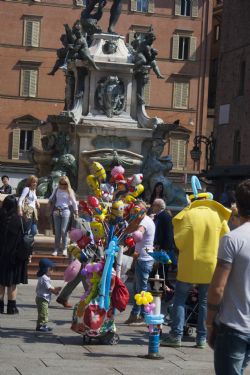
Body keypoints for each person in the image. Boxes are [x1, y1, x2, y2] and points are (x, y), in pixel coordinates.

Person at [161, 195, 231, 349]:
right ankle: (201, 337)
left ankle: (176, 335)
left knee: (180, 299)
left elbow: (179, 241)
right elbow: (227, 238)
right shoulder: (218, 215)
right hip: (210, 264)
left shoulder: (188, 214)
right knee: (205, 301)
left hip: (189, 263)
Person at [207, 179, 250, 375]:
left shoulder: (232, 239)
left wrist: (209, 321)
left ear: (237, 205)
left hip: (234, 325)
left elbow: (218, 288)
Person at [124, 200, 155, 325]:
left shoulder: (145, 222)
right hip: (141, 257)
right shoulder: (141, 220)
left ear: (144, 210)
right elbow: (128, 230)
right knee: (138, 288)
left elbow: (139, 233)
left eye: (138, 210)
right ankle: (135, 314)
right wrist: (133, 219)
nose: (136, 212)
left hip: (145, 259)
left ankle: (145, 315)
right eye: (135, 210)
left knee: (142, 288)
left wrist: (132, 237)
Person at [0, 195, 29, 314]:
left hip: (1, 256)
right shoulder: (20, 220)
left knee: (0, 281)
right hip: (15, 256)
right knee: (12, 282)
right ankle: (11, 307)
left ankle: (0, 306)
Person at [49, 176, 78, 256]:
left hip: (66, 210)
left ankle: (64, 249)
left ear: (67, 183)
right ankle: (56, 249)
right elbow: (51, 198)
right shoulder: (56, 189)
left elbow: (74, 202)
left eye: (65, 184)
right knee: (57, 231)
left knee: (63, 230)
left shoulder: (70, 191)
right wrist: (50, 201)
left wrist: (76, 211)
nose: (63, 185)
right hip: (56, 211)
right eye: (61, 183)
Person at [151, 198, 176, 288]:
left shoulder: (165, 216)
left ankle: (168, 291)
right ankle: (161, 291)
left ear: (158, 206)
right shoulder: (158, 216)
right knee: (156, 273)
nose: (152, 206)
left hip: (163, 249)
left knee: (161, 273)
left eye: (154, 205)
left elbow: (169, 234)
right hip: (158, 248)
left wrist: (165, 249)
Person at [35, 258, 61, 332]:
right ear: (45, 269)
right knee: (43, 313)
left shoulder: (45, 277)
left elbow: (50, 287)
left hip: (43, 298)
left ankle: (42, 325)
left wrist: (56, 289)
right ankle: (41, 326)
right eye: (51, 269)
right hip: (42, 299)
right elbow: (49, 288)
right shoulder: (44, 278)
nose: (52, 271)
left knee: (43, 312)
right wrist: (55, 291)